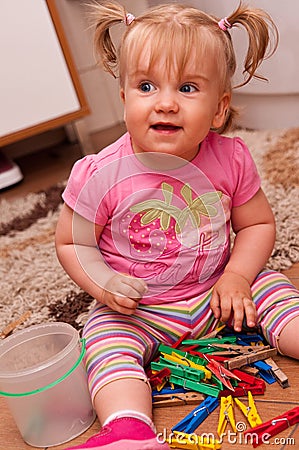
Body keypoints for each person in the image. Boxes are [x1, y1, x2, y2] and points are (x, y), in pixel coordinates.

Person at [55, 2, 299, 449]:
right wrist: (105, 283)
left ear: (219, 108)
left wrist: (238, 275)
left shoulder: (231, 158)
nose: (165, 102)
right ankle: (128, 429)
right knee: (103, 337)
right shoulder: (100, 172)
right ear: (125, 98)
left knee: (274, 288)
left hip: (221, 292)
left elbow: (258, 224)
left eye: (187, 88)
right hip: (139, 309)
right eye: (147, 86)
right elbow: (73, 243)